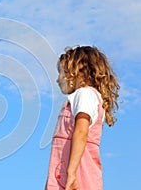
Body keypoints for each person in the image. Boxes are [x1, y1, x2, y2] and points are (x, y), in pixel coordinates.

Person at [45, 46, 120, 190]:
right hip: (64, 176)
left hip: (77, 175)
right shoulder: (85, 97)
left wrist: (71, 172)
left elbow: (81, 132)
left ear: (74, 72)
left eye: (60, 72)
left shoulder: (84, 94)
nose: (57, 79)